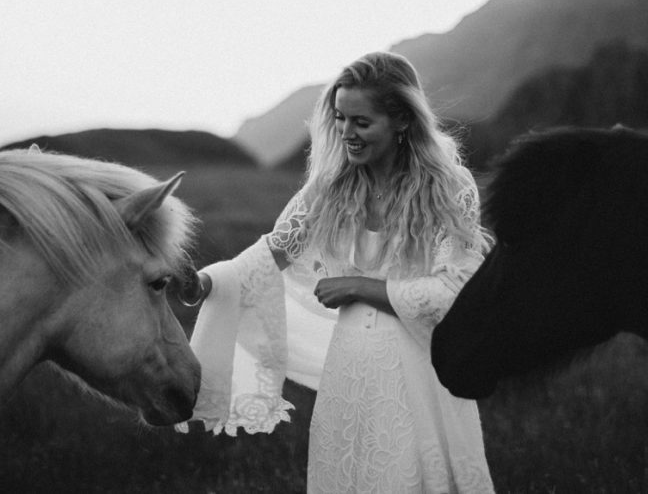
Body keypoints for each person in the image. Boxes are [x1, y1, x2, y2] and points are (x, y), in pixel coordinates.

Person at [181, 51, 495, 493]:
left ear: (402, 120)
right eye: (340, 118)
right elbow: (274, 251)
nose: (347, 133)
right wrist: (207, 282)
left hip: (420, 375)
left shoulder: (448, 186)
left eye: (361, 122)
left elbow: (459, 288)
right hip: (348, 375)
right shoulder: (331, 187)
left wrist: (361, 286)